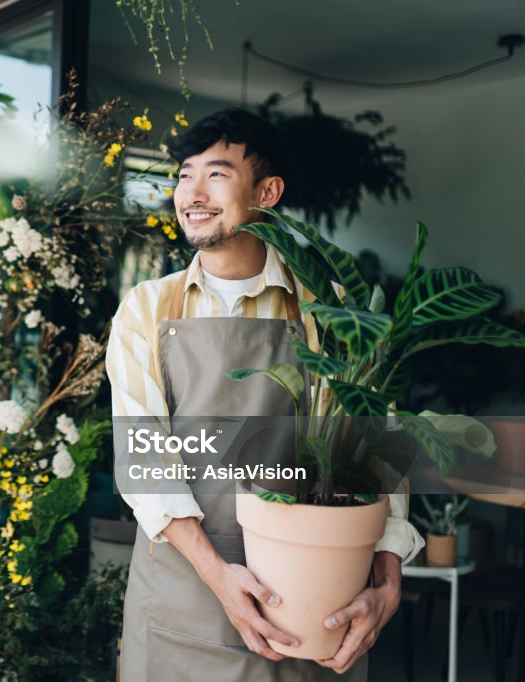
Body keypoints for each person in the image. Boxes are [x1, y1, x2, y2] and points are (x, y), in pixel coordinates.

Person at [106, 108, 423, 681]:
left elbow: (380, 450)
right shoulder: (146, 310)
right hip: (183, 596)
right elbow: (145, 462)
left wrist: (387, 584)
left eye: (217, 174)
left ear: (268, 191)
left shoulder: (330, 310)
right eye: (184, 175)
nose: (192, 194)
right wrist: (220, 579)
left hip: (311, 605)